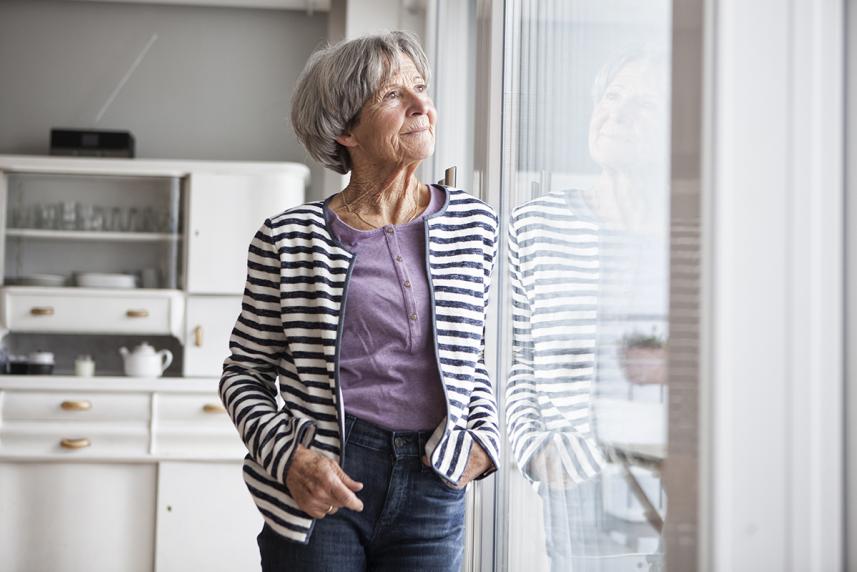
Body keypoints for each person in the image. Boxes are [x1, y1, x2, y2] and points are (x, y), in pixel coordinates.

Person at [219, 31, 501, 572]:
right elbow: (243, 375)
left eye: (421, 87)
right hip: (325, 485)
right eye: (394, 96)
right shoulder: (288, 238)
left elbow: (473, 360)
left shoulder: (474, 224)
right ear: (345, 128)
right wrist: (291, 460)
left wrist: (484, 439)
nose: (422, 106)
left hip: (433, 482)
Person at [506, 47, 670, 571]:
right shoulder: (535, 226)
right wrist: (534, 450)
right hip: (576, 486)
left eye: (642, 105)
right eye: (612, 96)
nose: (616, 114)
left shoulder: (696, 230)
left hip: (679, 481)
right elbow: (512, 359)